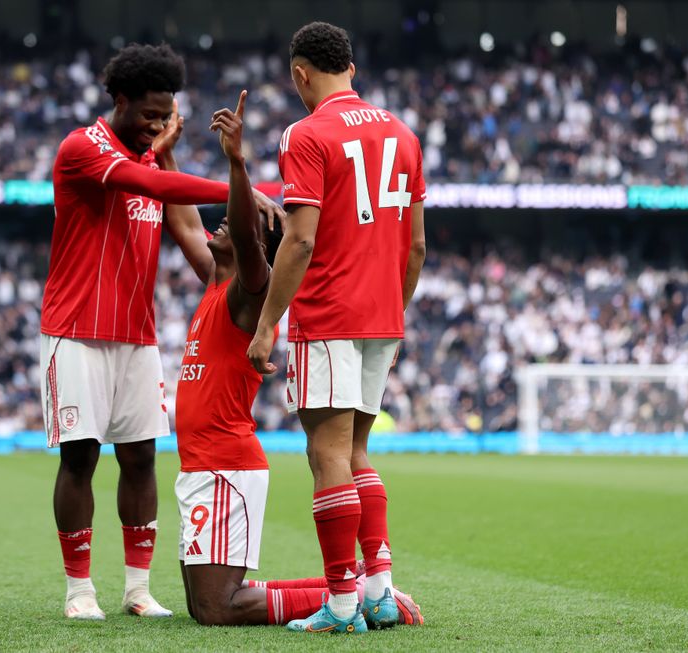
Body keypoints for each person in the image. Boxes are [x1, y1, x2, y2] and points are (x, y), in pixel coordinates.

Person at [41, 43, 282, 621]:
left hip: (137, 337)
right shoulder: (85, 148)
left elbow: (195, 242)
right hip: (76, 330)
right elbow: (161, 191)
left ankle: (136, 589)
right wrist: (241, 189)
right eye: (148, 113)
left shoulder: (153, 164)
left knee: (142, 459)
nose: (156, 123)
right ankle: (79, 590)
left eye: (165, 113)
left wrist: (181, 164)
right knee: (79, 459)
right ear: (120, 100)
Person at [174, 90, 422, 630]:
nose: (216, 227)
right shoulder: (215, 283)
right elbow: (187, 225)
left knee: (216, 609)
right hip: (201, 462)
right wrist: (163, 158)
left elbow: (248, 233)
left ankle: (346, 597)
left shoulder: (248, 290)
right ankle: (358, 587)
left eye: (230, 227)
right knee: (204, 603)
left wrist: (238, 165)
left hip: (225, 461)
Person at [246, 22, 428, 633]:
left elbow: (299, 240)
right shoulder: (403, 134)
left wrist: (269, 323)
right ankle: (378, 591)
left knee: (326, 455)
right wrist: (395, 317)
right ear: (350, 65)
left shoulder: (306, 132)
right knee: (356, 453)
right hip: (382, 313)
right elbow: (418, 248)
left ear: (301, 73)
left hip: (328, 311)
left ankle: (343, 605)